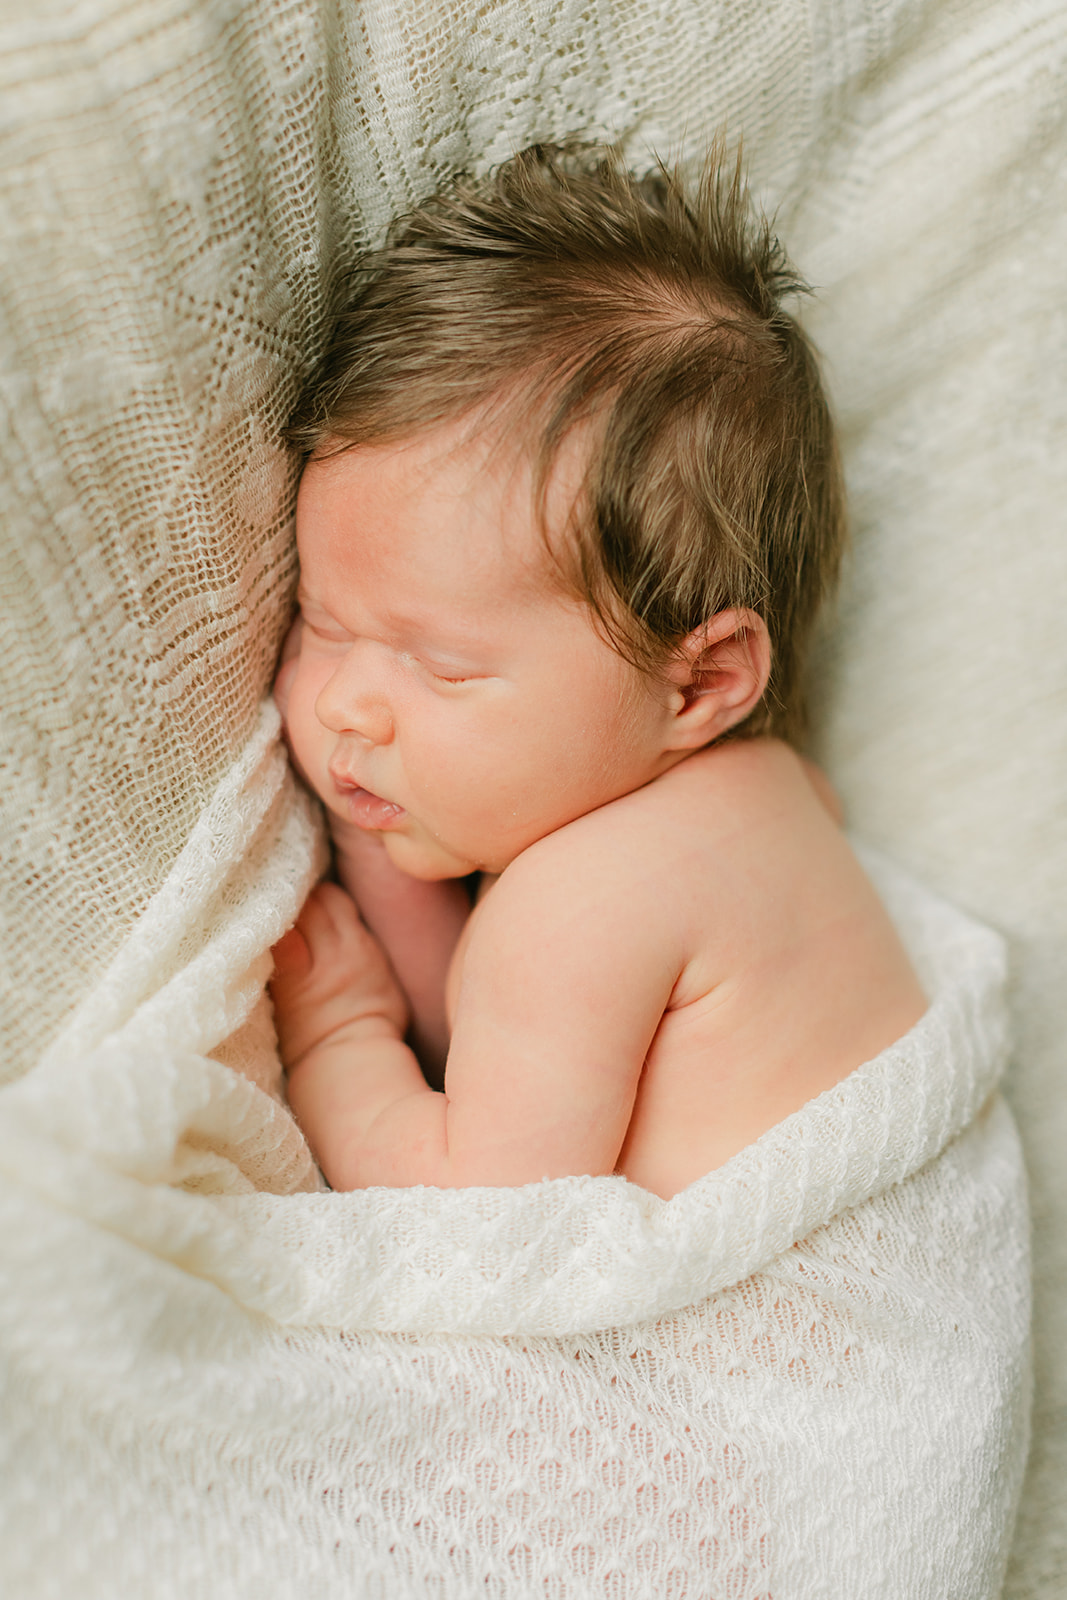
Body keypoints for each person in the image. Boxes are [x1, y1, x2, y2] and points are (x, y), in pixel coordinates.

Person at [268, 142, 926, 1200]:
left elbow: (479, 1218)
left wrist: (340, 1035)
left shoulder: (575, 910)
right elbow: (515, 1050)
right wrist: (380, 837)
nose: (343, 699)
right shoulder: (780, 798)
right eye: (321, 620)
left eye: (442, 667)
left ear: (698, 682)